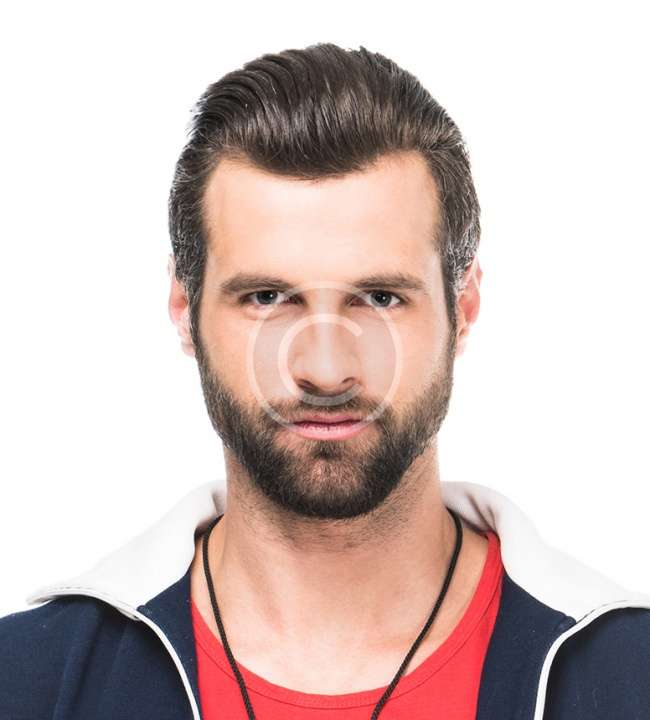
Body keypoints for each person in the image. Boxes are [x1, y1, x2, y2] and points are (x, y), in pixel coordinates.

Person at [1, 42, 649, 720]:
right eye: (265, 298)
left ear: (463, 307)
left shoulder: (632, 676)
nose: (324, 370)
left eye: (380, 299)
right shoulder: (25, 682)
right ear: (184, 308)